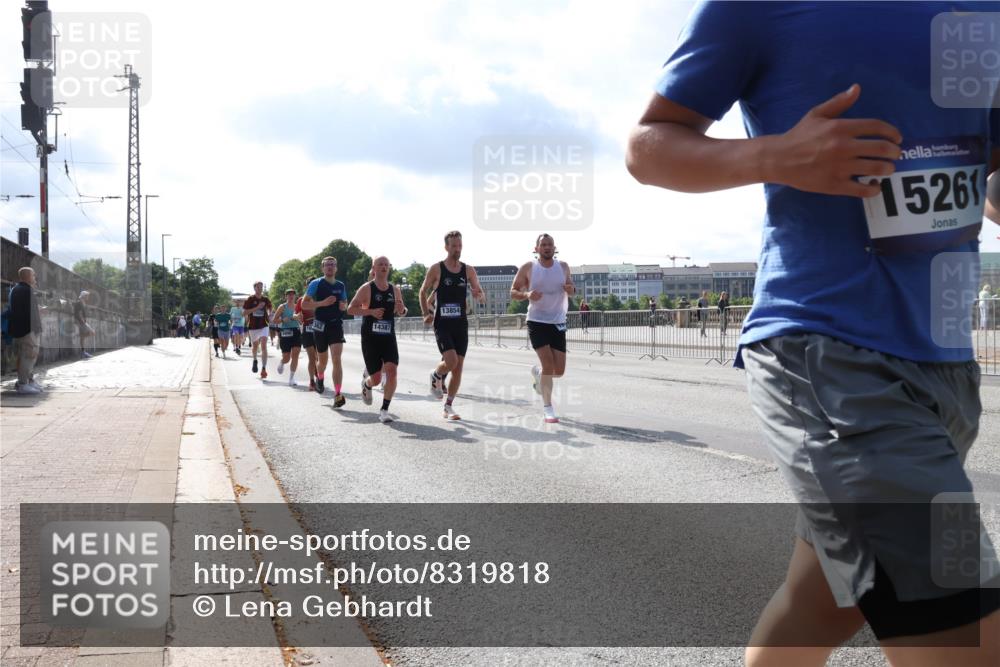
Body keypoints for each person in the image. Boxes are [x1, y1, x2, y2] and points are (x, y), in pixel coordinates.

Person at [626, 2, 1000, 665]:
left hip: (944, 361)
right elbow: (649, 147)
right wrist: (779, 155)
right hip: (827, 353)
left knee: (823, 601)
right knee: (963, 627)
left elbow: (987, 172)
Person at [419, 230, 486, 420]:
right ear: (446, 247)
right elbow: (422, 291)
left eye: (459, 245)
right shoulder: (437, 269)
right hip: (442, 324)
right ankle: (436, 374)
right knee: (451, 362)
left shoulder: (468, 270)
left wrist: (477, 295)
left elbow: (482, 296)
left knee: (459, 367)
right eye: (453, 246)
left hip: (460, 324)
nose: (457, 249)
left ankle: (448, 406)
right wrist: (426, 313)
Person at [510, 233, 574, 424]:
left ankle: (538, 374)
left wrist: (571, 289)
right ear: (536, 248)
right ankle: (548, 408)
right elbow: (513, 292)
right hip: (537, 321)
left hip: (558, 321)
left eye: (550, 244)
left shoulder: (562, 267)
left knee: (559, 370)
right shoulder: (529, 267)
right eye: (543, 244)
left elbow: (571, 287)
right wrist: (527, 293)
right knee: (548, 365)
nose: (547, 247)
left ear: (554, 248)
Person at [349, 256, 407, 423]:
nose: (383, 267)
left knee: (392, 371)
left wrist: (402, 309)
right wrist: (371, 312)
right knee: (375, 378)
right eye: (380, 264)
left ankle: (384, 410)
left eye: (386, 264)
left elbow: (402, 311)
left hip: (388, 337)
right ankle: (367, 384)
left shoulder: (395, 290)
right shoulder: (367, 288)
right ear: (374, 268)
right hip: (370, 338)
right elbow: (350, 309)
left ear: (389, 267)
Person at [302, 257, 349, 405]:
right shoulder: (316, 283)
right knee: (322, 361)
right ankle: (320, 377)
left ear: (336, 268)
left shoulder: (340, 285)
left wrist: (344, 307)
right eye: (327, 265)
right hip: (320, 325)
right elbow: (304, 304)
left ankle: (338, 394)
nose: (330, 267)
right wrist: (322, 303)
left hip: (335, 324)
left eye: (333, 265)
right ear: (323, 268)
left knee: (336, 358)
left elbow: (345, 303)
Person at [9, 267, 44, 394]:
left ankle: (28, 381)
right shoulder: (25, 290)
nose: (35, 278)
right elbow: (26, 312)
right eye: (33, 275)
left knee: (29, 356)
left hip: (25, 328)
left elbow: (25, 309)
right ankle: (23, 384)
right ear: (28, 276)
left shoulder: (19, 289)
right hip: (27, 329)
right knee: (28, 355)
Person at [271, 288, 302, 386]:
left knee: (295, 355)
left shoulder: (298, 306)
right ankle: (282, 362)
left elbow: (301, 320)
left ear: (295, 296)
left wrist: (299, 318)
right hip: (285, 332)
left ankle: (291, 378)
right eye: (289, 294)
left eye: (293, 294)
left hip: (296, 330)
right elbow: (274, 320)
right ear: (286, 296)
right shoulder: (282, 307)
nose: (291, 296)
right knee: (287, 358)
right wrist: (283, 320)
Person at [243, 282, 273, 379]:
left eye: (261, 287)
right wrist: (256, 307)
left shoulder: (265, 299)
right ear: (254, 288)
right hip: (253, 326)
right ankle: (255, 360)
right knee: (255, 345)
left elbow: (270, 308)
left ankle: (264, 369)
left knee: (264, 345)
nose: (260, 289)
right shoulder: (250, 299)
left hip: (264, 325)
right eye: (258, 287)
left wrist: (269, 313)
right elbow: (244, 313)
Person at [296, 278, 318, 391]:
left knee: (318, 358)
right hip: (307, 330)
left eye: (314, 284)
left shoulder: (321, 297)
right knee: (312, 357)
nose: (312, 286)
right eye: (310, 285)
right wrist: (297, 317)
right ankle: (312, 381)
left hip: (320, 331)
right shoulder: (301, 300)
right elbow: (296, 314)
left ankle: (317, 374)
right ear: (307, 286)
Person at [74, 290, 94, 358]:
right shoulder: (79, 303)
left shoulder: (82, 303)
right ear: (84, 296)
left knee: (83, 337)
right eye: (87, 296)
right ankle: (83, 352)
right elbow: (79, 314)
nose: (88, 297)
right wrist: (83, 322)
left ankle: (83, 352)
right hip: (81, 321)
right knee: (92, 332)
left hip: (81, 321)